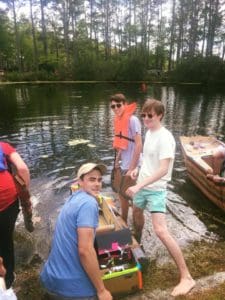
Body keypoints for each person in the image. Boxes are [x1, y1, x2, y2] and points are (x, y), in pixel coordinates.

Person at [126, 99, 196, 297]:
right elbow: (148, 159)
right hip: (141, 183)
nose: (146, 119)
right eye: (144, 115)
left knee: (160, 231)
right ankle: (137, 245)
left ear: (160, 115)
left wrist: (139, 185)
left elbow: (164, 169)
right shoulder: (149, 132)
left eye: (151, 115)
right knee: (136, 214)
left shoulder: (165, 138)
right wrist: (137, 170)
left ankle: (187, 277)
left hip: (155, 189)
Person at [40, 163, 112, 300]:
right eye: (92, 179)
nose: (97, 184)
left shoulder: (73, 197)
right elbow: (85, 251)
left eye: (99, 180)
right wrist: (102, 290)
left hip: (50, 278)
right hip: (73, 290)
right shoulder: (89, 204)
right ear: (80, 181)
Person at [0, 141, 31, 290]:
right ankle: (8, 279)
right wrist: (26, 194)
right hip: (6, 199)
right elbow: (22, 168)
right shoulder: (3, 146)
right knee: (5, 240)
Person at [110, 93, 142, 222]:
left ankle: (136, 231)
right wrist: (117, 161)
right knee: (121, 194)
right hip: (123, 165)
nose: (116, 108)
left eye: (118, 105)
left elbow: (139, 145)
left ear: (125, 104)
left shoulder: (133, 120)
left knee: (135, 201)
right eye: (113, 106)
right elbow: (122, 144)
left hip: (134, 167)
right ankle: (123, 222)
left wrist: (132, 168)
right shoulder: (118, 121)